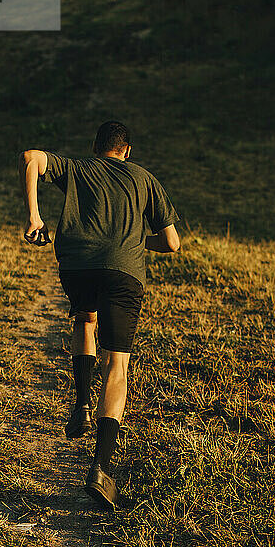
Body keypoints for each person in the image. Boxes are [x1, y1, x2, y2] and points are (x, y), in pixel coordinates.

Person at [18, 121, 180, 508]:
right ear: (127, 151)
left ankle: (81, 403)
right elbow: (172, 242)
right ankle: (101, 468)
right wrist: (141, 240)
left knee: (84, 320)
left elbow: (30, 158)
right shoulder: (144, 178)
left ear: (96, 148)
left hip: (78, 267)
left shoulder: (77, 168)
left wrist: (35, 217)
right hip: (123, 271)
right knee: (117, 366)